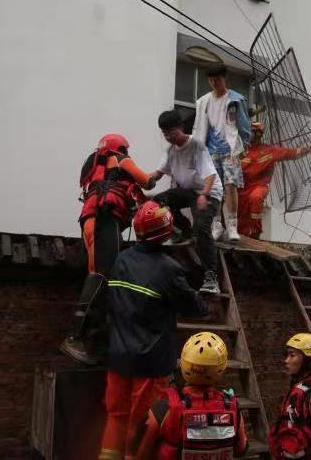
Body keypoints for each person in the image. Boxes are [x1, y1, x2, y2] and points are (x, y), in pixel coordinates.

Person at [99, 201, 210, 460]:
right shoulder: (168, 268)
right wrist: (202, 297)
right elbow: (195, 308)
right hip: (149, 363)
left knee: (115, 419)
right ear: (166, 231)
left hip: (117, 357)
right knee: (144, 424)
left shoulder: (120, 259)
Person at [61, 133, 155, 365]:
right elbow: (147, 181)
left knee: (98, 278)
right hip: (105, 219)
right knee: (103, 276)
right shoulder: (120, 159)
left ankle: (94, 342)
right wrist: (162, 172)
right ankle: (75, 337)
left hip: (89, 222)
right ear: (120, 147)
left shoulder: (97, 166)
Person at [132, 332, 249, 460]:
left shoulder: (164, 408)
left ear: (183, 363)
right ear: (221, 369)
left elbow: (141, 454)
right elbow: (241, 450)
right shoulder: (232, 407)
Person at [150, 110, 224, 295]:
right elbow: (157, 174)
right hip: (188, 191)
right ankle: (184, 229)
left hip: (209, 191)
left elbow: (210, 174)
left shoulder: (196, 146)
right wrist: (139, 180)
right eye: (165, 133)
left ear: (181, 128)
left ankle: (211, 277)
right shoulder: (170, 150)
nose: (168, 137)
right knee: (159, 200)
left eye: (171, 132)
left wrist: (204, 195)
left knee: (202, 227)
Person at [192, 64, 252, 242]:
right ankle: (216, 225)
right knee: (214, 190)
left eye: (217, 79)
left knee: (230, 185)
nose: (213, 83)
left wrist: (245, 145)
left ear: (224, 78)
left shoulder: (235, 99)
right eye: (210, 80)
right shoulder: (203, 101)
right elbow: (198, 127)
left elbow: (244, 124)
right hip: (209, 152)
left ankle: (232, 226)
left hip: (230, 150)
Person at [238, 119, 311, 239]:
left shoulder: (269, 151)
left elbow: (291, 153)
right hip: (241, 187)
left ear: (259, 134)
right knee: (238, 209)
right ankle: (240, 233)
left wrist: (309, 148)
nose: (248, 134)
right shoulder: (240, 151)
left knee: (255, 198)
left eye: (252, 132)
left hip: (258, 186)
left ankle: (255, 233)